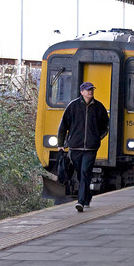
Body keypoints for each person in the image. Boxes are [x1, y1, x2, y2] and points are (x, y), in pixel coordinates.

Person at [57, 81, 110, 212]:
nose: (90, 92)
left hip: (91, 149)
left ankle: (80, 202)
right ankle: (87, 196)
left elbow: (105, 126)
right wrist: (60, 145)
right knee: (81, 175)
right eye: (87, 90)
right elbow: (63, 127)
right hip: (75, 148)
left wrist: (97, 137)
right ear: (82, 92)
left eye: (92, 89)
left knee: (85, 172)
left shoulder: (99, 107)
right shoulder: (73, 106)